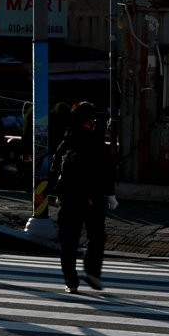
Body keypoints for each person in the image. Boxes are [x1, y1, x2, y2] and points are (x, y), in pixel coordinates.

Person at [50, 101, 117, 293]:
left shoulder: (67, 139)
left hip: (69, 198)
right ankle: (92, 272)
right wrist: (110, 194)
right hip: (93, 197)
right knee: (96, 236)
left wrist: (58, 191)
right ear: (89, 121)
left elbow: (55, 167)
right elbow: (106, 169)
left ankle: (71, 281)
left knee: (68, 241)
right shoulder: (96, 141)